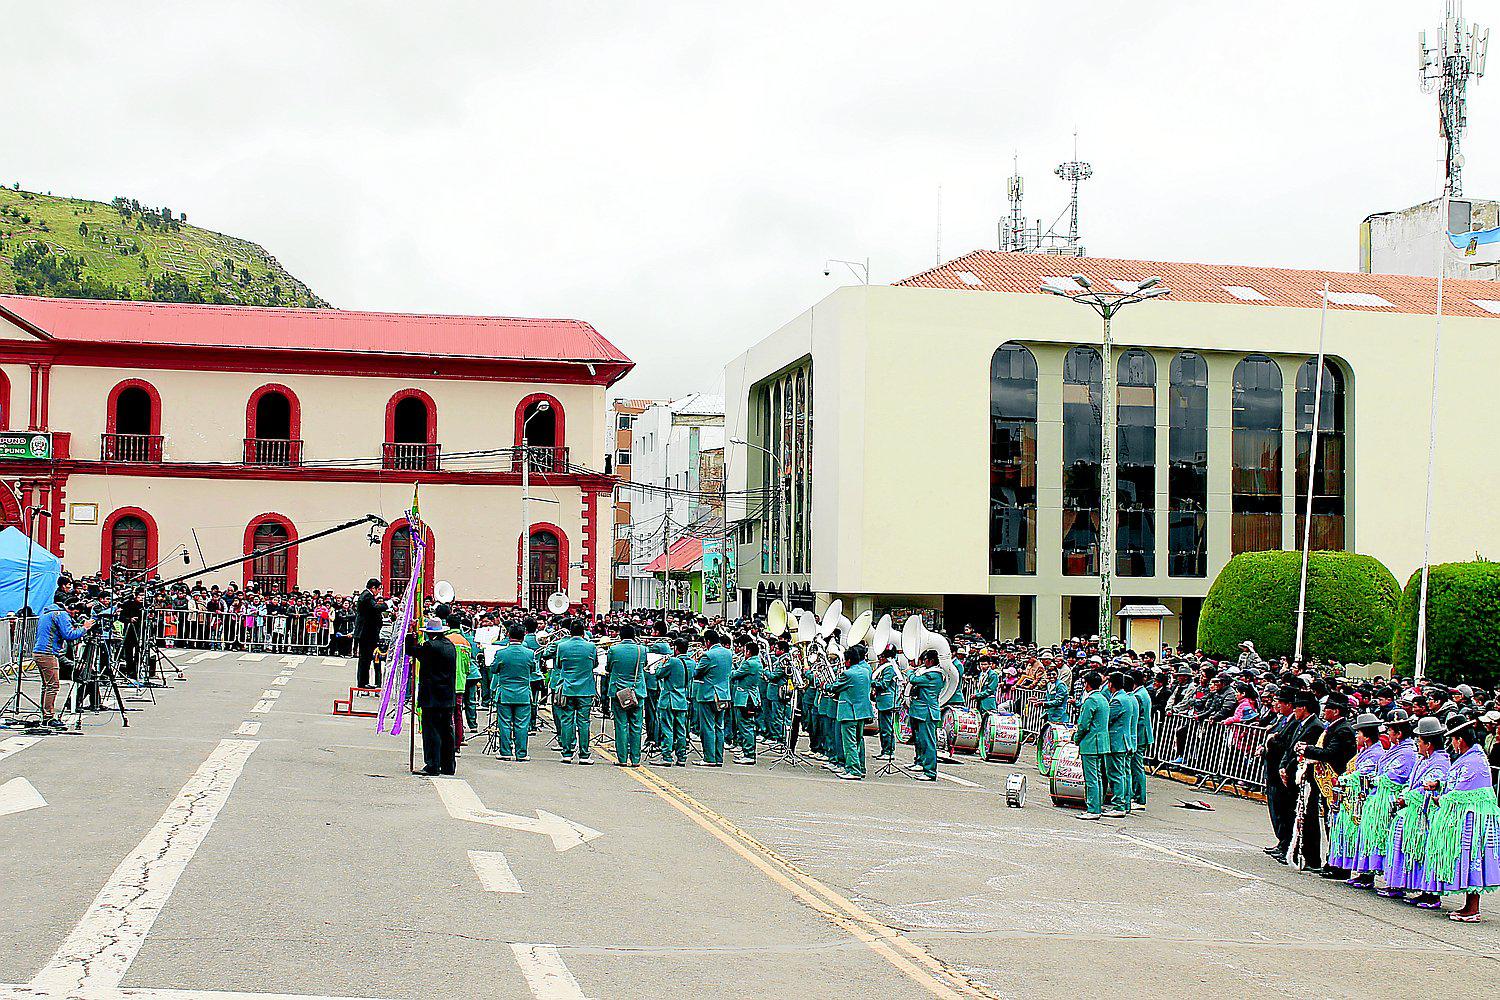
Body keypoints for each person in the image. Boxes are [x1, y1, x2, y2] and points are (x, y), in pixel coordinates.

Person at [1425, 715, 1500, 920]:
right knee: (1469, 858)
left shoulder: (1474, 762)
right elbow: (1456, 782)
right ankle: (1469, 906)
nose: (1452, 744)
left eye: (1453, 739)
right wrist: (1439, 785)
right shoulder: (1471, 758)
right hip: (1468, 817)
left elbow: (1461, 792)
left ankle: (1472, 908)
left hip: (1472, 819)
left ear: (1460, 739)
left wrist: (1441, 799)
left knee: (1473, 857)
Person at [1384, 716, 1450, 907]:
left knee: (1426, 852)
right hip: (1414, 812)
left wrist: (1408, 798)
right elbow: (1413, 783)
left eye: (1419, 741)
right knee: (1410, 848)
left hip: (1428, 815)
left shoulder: (1440, 762)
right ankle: (1413, 887)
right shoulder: (1423, 760)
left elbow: (1428, 789)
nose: (1417, 744)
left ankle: (1431, 894)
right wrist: (1405, 793)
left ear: (1428, 744)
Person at [1297, 692, 1357, 878]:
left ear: (1336, 711)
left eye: (1328, 708)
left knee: (1336, 825)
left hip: (1337, 782)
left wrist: (1308, 749)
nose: (1324, 711)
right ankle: (1333, 861)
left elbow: (1330, 753)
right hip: (1328, 783)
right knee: (1330, 823)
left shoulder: (1343, 730)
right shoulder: (1333, 727)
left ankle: (1340, 866)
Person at [1328, 713, 1385, 883]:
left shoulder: (1376, 753)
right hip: (1353, 799)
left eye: (1358, 733)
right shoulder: (1365, 751)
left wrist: (1343, 779)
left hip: (1363, 799)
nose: (1356, 736)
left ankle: (1366, 874)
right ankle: (1353, 870)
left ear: (1366, 736)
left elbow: (1363, 774)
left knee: (1362, 836)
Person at [541, 619, 599, 765]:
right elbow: (595, 664)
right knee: (584, 722)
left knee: (567, 720)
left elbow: (559, 664)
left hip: (567, 687)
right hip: (585, 689)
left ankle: (567, 753)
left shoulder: (562, 646)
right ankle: (584, 754)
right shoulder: (591, 646)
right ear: (583, 631)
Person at [31, 595, 93, 729]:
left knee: (47, 686)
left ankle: (46, 715)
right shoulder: (62, 615)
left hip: (39, 652)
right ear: (71, 607)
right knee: (53, 686)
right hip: (48, 653)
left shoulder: (49, 613)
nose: (75, 615)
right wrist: (85, 628)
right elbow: (69, 634)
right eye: (75, 613)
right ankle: (48, 717)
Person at [406, 616, 457, 776]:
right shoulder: (450, 645)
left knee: (432, 731)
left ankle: (432, 765)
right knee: (446, 731)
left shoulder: (431, 646)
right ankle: (448, 765)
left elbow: (411, 651)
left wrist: (410, 634)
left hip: (432, 696)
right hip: (447, 695)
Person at [1261, 687, 1300, 861]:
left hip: (1282, 771)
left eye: (1280, 702)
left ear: (1289, 705)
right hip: (1272, 770)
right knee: (1276, 809)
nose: (1277, 705)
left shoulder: (1294, 722)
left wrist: (1272, 740)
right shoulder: (1282, 720)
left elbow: (1283, 744)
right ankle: (1281, 842)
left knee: (1284, 811)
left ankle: (1286, 844)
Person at [489, 625, 538, 761]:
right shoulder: (530, 653)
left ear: (509, 635)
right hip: (523, 693)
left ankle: (505, 752)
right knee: (522, 725)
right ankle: (521, 753)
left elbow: (493, 669)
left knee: (504, 724)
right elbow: (533, 669)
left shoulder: (501, 653)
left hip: (505, 693)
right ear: (523, 636)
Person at [605, 625, 649, 767]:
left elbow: (608, 668)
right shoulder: (642, 649)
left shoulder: (614, 649)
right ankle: (636, 759)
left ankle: (622, 758)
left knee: (621, 725)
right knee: (636, 725)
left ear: (620, 635)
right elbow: (644, 665)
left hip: (619, 691)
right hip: (637, 691)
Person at [829, 644, 874, 780]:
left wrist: (824, 684)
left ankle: (853, 770)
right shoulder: (866, 671)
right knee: (857, 741)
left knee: (849, 743)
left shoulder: (848, 674)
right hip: (862, 712)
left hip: (849, 712)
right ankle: (859, 767)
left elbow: (834, 687)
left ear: (849, 660)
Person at [692, 631, 732, 767]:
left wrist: (695, 662)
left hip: (709, 695)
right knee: (719, 727)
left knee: (707, 727)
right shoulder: (728, 653)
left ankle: (709, 758)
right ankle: (718, 758)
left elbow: (696, 673)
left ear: (708, 641)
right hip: (723, 694)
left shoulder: (708, 655)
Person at [1074, 671, 1110, 820]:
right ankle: (1097, 805)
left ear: (1087, 684)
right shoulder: (1103, 698)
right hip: (1101, 742)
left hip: (1090, 743)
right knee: (1098, 776)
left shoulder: (1091, 700)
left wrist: (1076, 738)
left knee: (1091, 777)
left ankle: (1093, 809)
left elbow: (1083, 724)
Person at [652, 636, 692, 766]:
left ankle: (667, 756)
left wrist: (662, 662)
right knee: (681, 730)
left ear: (676, 648)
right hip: (682, 698)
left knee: (667, 728)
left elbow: (658, 674)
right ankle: (681, 757)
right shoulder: (692, 663)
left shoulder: (673, 661)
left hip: (669, 698)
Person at [906, 650, 944, 782]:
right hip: (920, 711)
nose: (923, 663)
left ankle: (930, 771)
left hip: (927, 712)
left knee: (928, 743)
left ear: (931, 661)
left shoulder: (933, 675)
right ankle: (921, 763)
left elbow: (914, 680)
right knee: (920, 740)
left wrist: (910, 671)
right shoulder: (928, 672)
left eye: (925, 660)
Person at [1105, 671, 1139, 818]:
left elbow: (1107, 718)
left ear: (1111, 684)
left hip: (1117, 742)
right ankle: (1125, 804)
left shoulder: (1118, 700)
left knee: (1116, 774)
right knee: (1124, 774)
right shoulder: (1126, 697)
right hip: (1123, 741)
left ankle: (1119, 805)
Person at [729, 636, 763, 765]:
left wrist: (731, 667)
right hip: (750, 696)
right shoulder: (756, 661)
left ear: (748, 652)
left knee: (746, 726)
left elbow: (734, 675)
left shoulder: (749, 663)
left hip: (745, 698)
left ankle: (749, 754)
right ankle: (746, 751)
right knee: (745, 726)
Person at [353, 579, 387, 689]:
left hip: (367, 633)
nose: (379, 591)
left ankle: (363, 682)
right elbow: (375, 608)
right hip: (366, 633)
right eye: (378, 589)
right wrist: (386, 605)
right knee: (365, 659)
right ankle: (363, 683)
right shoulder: (367, 596)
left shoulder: (367, 596)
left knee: (366, 659)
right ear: (373, 588)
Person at [1128, 670, 1154, 811]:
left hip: (1139, 734)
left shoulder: (1138, 695)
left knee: (1136, 767)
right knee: (1135, 765)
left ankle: (1139, 798)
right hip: (1141, 733)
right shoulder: (1142, 692)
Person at [871, 648, 899, 760]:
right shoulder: (883, 667)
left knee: (887, 728)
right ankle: (884, 750)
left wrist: (870, 681)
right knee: (883, 728)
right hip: (882, 701)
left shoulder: (889, 668)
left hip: (887, 701)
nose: (879, 659)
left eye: (881, 657)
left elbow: (884, 684)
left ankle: (889, 751)